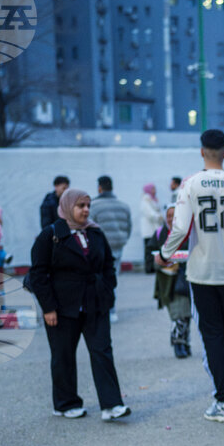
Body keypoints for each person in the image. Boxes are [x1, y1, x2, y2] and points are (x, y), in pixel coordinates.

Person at [157, 129, 224, 423]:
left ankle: (222, 400)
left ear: (202, 151)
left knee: (212, 335)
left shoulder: (191, 183)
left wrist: (165, 254)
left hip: (202, 272)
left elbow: (180, 228)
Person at [27, 188, 130, 422]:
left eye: (88, 206)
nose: (85, 210)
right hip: (62, 308)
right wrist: (48, 308)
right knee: (63, 355)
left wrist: (107, 290)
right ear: (67, 207)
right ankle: (65, 403)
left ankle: (112, 404)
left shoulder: (95, 232)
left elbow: (108, 265)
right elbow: (38, 274)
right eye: (80, 206)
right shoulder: (50, 235)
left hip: (95, 304)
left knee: (102, 352)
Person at [147, 205, 192, 358]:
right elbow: (149, 257)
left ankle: (184, 341)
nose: (172, 219)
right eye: (169, 216)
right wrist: (160, 263)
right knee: (177, 313)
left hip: (186, 279)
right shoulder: (160, 233)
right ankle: (179, 343)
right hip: (167, 282)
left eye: (175, 215)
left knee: (185, 313)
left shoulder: (189, 232)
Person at [92, 176, 132, 322]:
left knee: (99, 279)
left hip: (99, 249)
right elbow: (129, 227)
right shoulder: (123, 205)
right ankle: (111, 310)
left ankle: (103, 310)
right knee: (112, 278)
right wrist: (122, 240)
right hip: (117, 247)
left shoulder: (94, 205)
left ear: (99, 188)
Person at [140, 183, 163, 273]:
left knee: (154, 249)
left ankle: (153, 267)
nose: (155, 190)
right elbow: (150, 214)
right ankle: (149, 268)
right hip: (148, 230)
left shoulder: (153, 200)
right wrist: (160, 217)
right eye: (153, 188)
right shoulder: (145, 200)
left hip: (154, 229)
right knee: (149, 250)